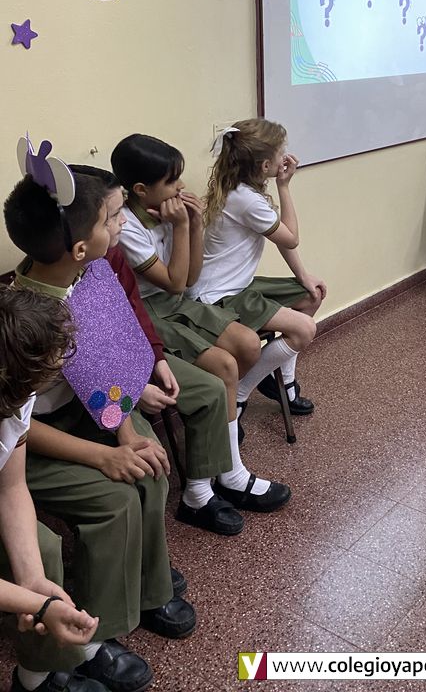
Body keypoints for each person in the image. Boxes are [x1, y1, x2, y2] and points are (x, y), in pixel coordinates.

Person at [4, 168, 194, 692]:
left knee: (148, 462)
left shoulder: (89, 275)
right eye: (113, 217)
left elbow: (109, 369)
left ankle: (147, 588)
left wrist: (127, 432)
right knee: (114, 498)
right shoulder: (29, 324)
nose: (122, 223)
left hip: (74, 416)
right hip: (38, 436)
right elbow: (19, 426)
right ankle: (96, 630)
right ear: (81, 246)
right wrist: (104, 456)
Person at [71, 164, 271, 535]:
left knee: (214, 384)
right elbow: (89, 355)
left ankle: (207, 487)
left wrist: (157, 358)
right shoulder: (72, 283)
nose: (121, 222)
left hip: (136, 353)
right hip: (113, 382)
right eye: (111, 217)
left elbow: (134, 309)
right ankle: (202, 492)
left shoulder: (108, 257)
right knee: (211, 383)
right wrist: (135, 388)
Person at [110, 134, 291, 512]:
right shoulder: (128, 227)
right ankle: (228, 472)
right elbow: (175, 283)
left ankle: (226, 420)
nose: (180, 187)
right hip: (149, 310)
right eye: (171, 181)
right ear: (141, 190)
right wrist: (181, 226)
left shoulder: (166, 212)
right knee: (224, 367)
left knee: (248, 344)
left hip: (177, 302)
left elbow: (190, 281)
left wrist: (192, 224)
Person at [0, 285, 110, 692]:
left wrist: (31, 580)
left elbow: (10, 487)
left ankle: (36, 677)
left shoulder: (15, 396)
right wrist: (38, 604)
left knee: (39, 552)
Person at [188, 121, 324, 425]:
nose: (285, 157)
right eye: (281, 153)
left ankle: (282, 381)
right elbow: (291, 237)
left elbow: (280, 239)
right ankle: (241, 392)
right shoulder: (246, 200)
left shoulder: (242, 190)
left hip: (239, 285)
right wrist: (285, 186)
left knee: (311, 295)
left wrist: (303, 277)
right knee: (304, 329)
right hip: (219, 295)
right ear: (265, 166)